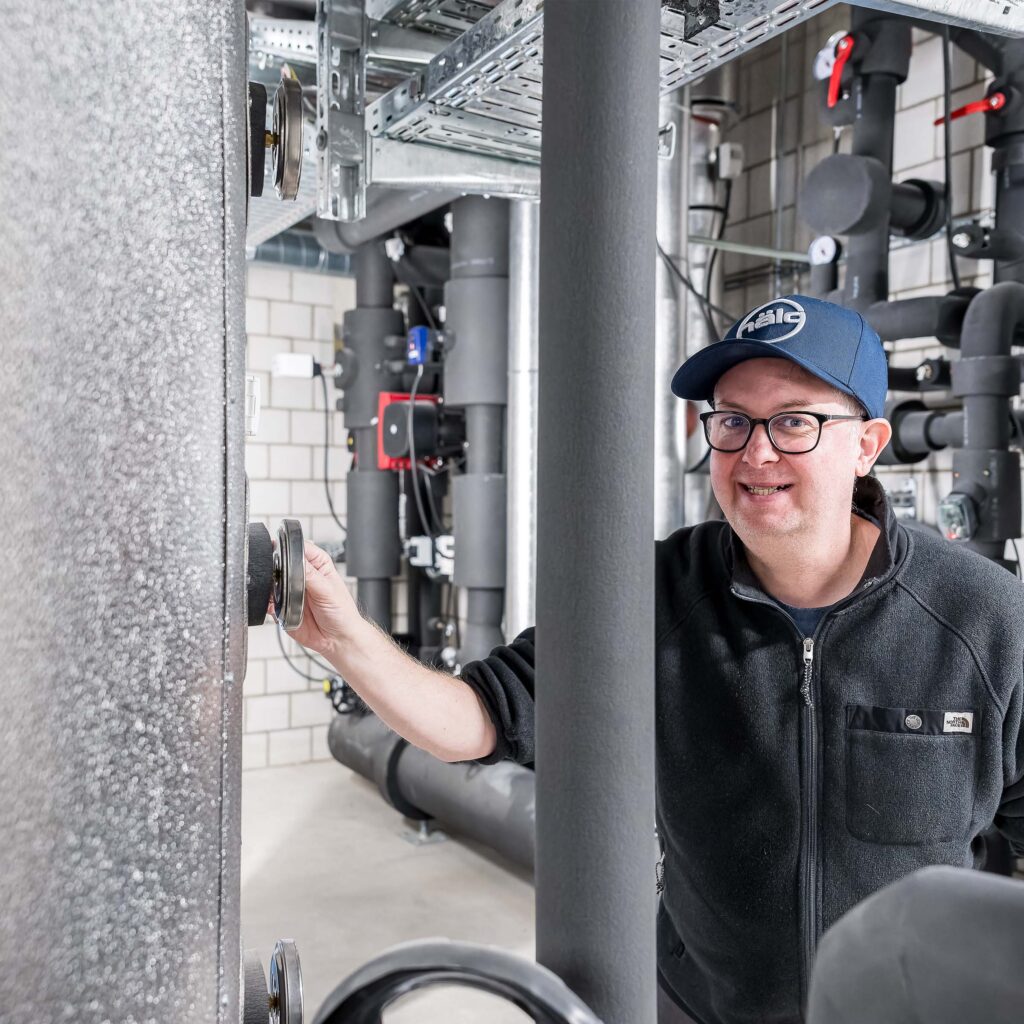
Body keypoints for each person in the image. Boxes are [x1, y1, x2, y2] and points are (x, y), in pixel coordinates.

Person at [287, 295, 1024, 1024]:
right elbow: (476, 720)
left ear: (867, 444)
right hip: (697, 1009)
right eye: (732, 422)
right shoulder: (653, 595)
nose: (755, 453)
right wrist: (345, 635)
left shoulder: (982, 617)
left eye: (795, 422)